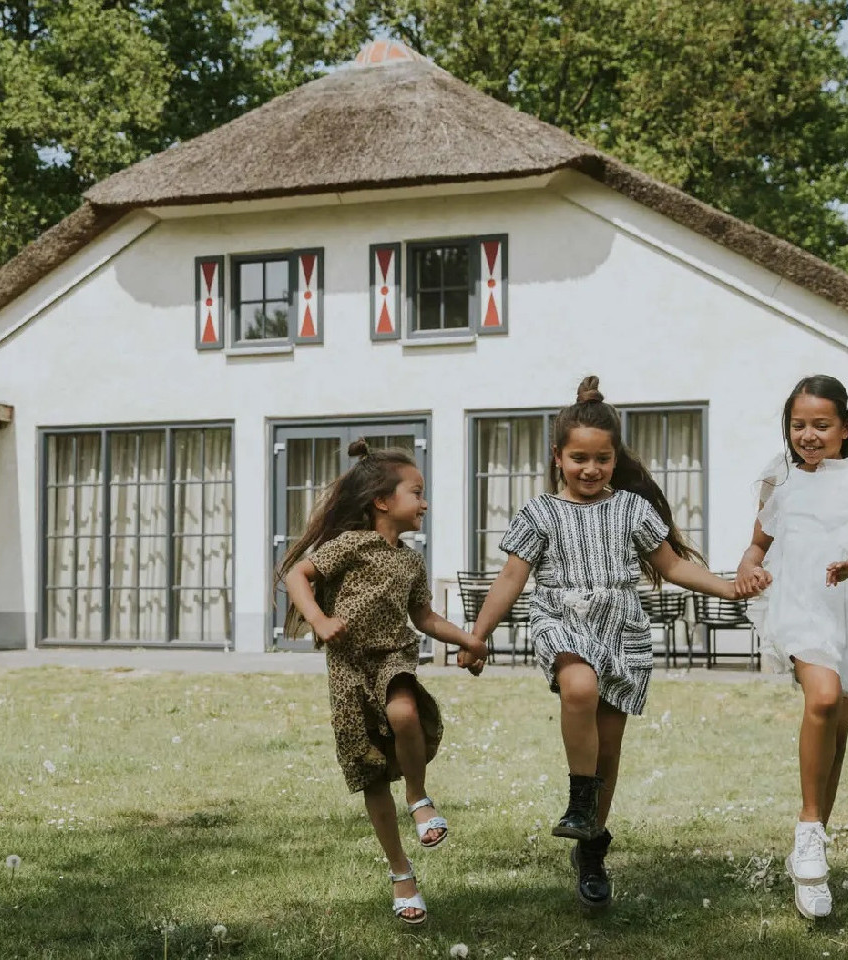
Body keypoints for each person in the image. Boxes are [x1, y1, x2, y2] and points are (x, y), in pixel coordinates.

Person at [462, 376, 766, 912]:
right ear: (558, 456)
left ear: (614, 457)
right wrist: (477, 635)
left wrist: (728, 586)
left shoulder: (630, 508)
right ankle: (581, 802)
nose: (590, 469)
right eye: (579, 458)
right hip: (563, 619)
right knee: (577, 687)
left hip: (622, 629)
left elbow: (671, 565)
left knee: (609, 747)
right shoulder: (540, 514)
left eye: (601, 459)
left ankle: (592, 847)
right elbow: (511, 578)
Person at [280, 440, 490, 925]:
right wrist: (318, 618)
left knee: (404, 712)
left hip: (394, 656)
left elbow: (423, 616)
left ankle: (418, 797)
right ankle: (401, 873)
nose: (425, 502)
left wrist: (470, 640)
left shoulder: (411, 562)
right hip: (349, 668)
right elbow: (297, 575)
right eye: (415, 492)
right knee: (372, 771)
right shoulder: (351, 545)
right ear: (381, 501)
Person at [737, 375, 848, 920]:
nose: (808, 435)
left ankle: (812, 858)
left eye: (821, 425)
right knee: (823, 699)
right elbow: (757, 547)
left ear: (844, 428)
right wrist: (750, 572)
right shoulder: (778, 480)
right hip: (801, 605)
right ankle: (809, 830)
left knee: (838, 732)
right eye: (799, 424)